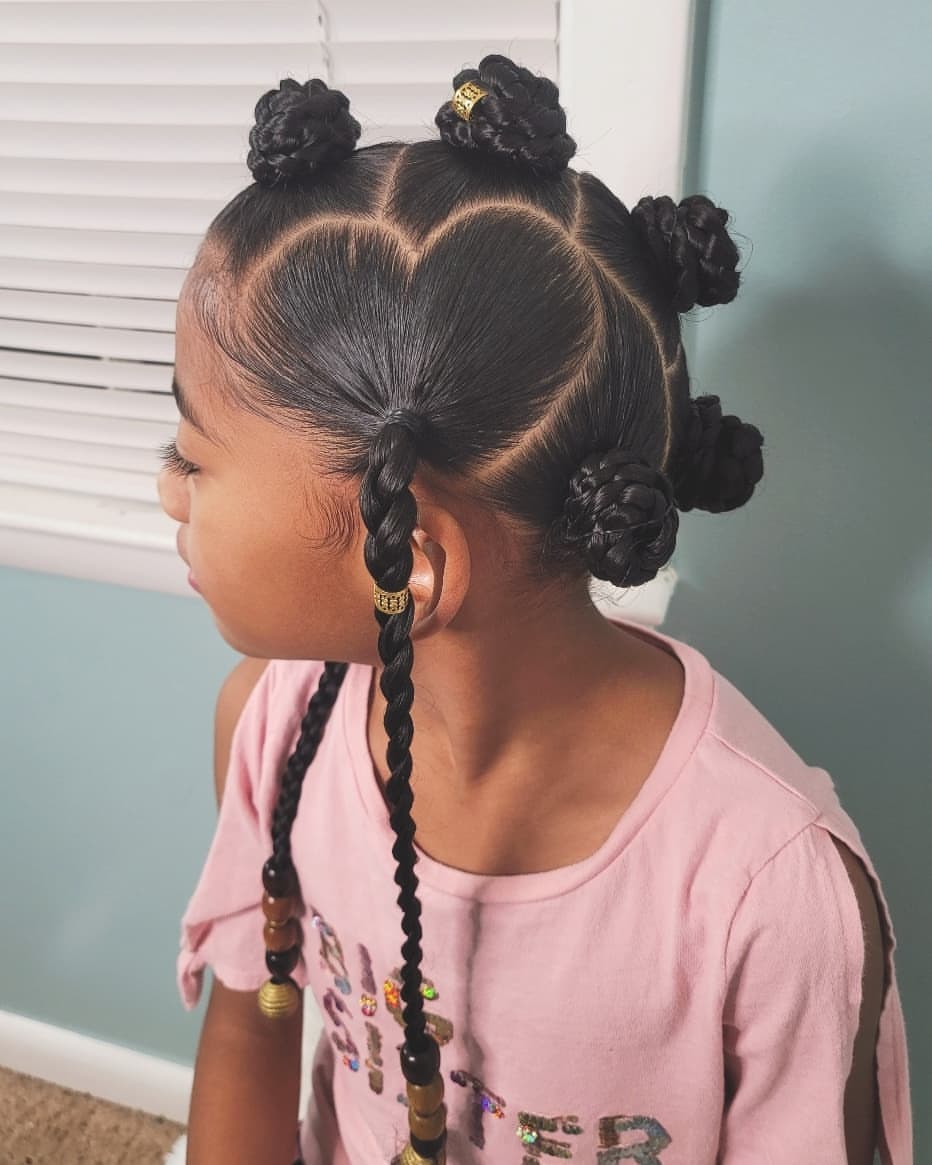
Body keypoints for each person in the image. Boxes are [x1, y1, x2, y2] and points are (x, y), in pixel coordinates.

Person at [157, 54, 912, 1165]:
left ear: (408, 557)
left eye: (193, 454)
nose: (167, 487)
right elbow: (254, 1026)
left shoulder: (769, 895)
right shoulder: (274, 729)